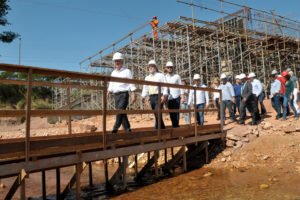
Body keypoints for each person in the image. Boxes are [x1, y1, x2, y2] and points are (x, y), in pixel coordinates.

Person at [107, 52, 136, 134]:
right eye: (115, 61)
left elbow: (131, 83)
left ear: (122, 61)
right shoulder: (113, 73)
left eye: (118, 61)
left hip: (124, 94)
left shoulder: (127, 71)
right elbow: (111, 84)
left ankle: (115, 128)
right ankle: (127, 128)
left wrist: (133, 95)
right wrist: (108, 92)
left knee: (119, 111)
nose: (117, 62)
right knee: (121, 112)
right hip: (116, 95)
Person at [141, 60, 168, 129]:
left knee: (158, 113)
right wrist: (143, 96)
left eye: (152, 66)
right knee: (156, 114)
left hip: (159, 96)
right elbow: (145, 88)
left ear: (155, 67)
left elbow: (165, 86)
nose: (151, 67)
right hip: (152, 97)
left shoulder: (160, 75)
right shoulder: (147, 78)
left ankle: (160, 131)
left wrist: (164, 96)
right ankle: (162, 129)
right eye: (150, 66)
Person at [165, 61, 184, 128]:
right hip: (169, 98)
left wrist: (182, 97)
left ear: (173, 68)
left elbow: (181, 87)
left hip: (176, 97)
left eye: (171, 67)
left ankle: (176, 126)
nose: (170, 68)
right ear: (166, 68)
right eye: (168, 67)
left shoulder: (177, 76)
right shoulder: (165, 77)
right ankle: (174, 125)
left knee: (176, 113)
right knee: (171, 113)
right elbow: (165, 89)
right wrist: (165, 99)